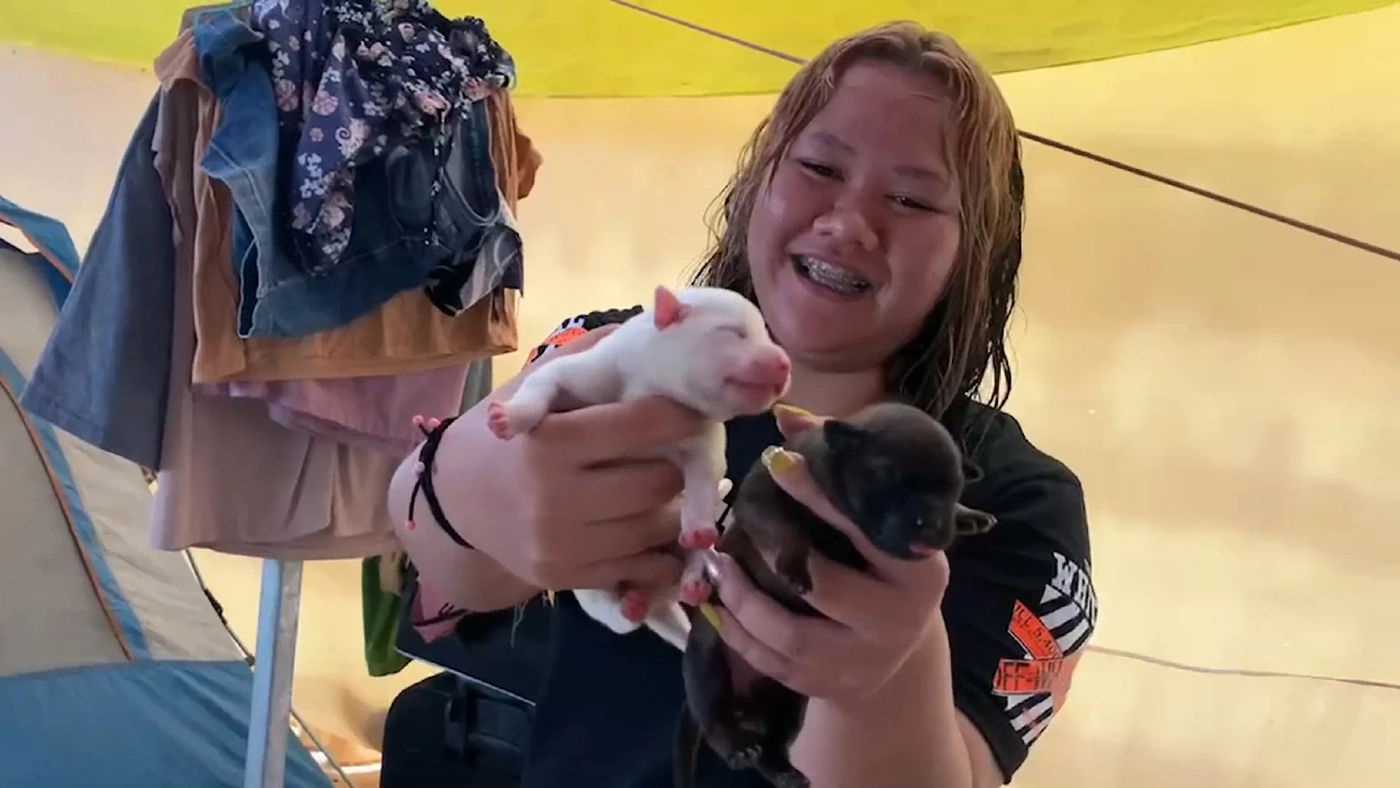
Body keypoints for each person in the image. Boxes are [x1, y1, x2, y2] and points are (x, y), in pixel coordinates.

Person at [389, 20, 1096, 788]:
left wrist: (885, 679)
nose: (850, 222)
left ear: (974, 251)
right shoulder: (614, 352)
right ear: (759, 178)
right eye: (821, 166)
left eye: (912, 200)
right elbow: (453, 569)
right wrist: (464, 483)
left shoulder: (1015, 499)